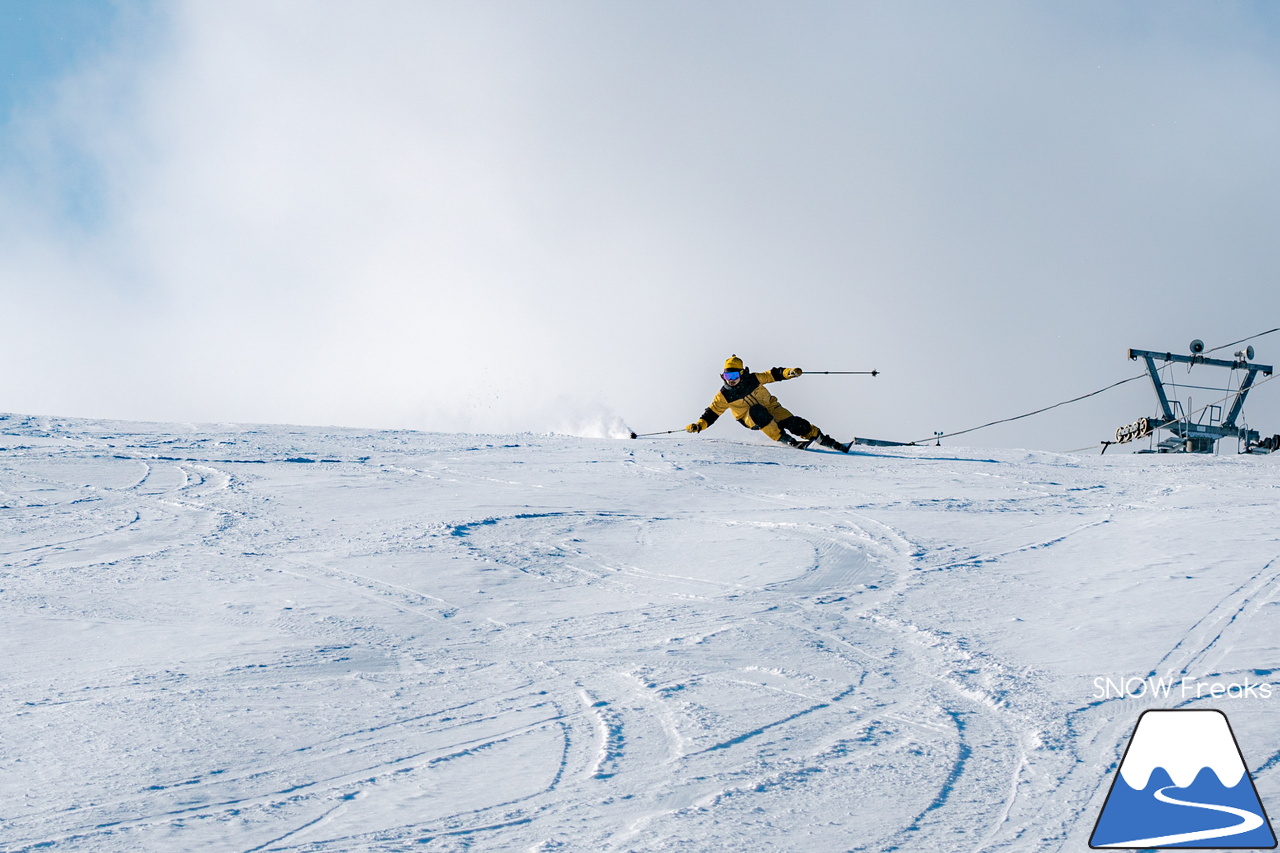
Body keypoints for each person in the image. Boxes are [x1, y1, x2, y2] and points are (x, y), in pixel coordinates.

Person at [686, 355, 851, 452]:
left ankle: (827, 441)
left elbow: (774, 374)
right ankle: (784, 438)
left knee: (795, 423)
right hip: (750, 417)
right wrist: (698, 425)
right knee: (758, 411)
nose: (732, 380)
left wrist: (790, 372)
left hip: (773, 409)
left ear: (742, 373)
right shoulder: (724, 395)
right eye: (728, 377)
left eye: (734, 375)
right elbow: (711, 414)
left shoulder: (754, 379)